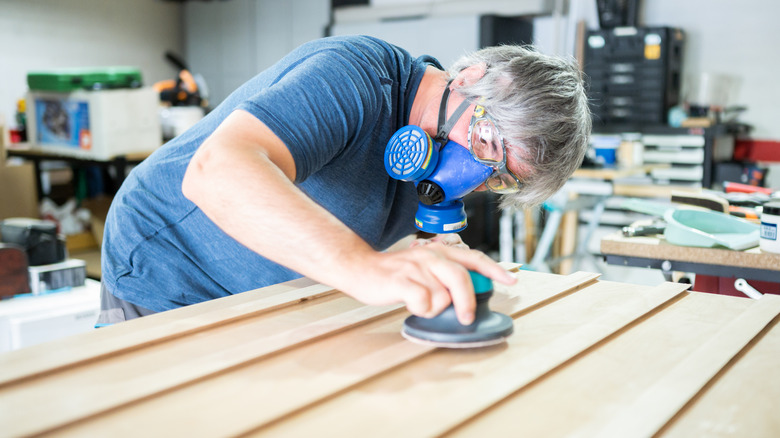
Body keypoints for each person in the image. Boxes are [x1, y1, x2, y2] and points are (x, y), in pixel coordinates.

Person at [96, 35, 591, 327]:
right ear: (468, 78)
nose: (477, 174)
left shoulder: (433, 151)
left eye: (500, 177)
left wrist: (429, 258)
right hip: (167, 264)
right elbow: (219, 170)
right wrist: (365, 269)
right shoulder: (354, 75)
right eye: (486, 141)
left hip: (268, 291)